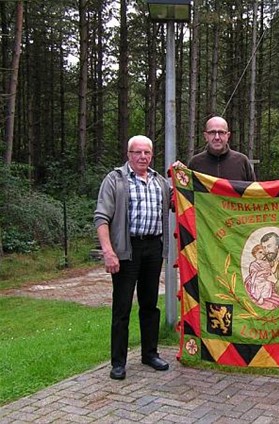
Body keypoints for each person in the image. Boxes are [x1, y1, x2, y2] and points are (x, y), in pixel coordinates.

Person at [94, 135, 172, 380]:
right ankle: (118, 362)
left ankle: (150, 354)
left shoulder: (160, 182)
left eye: (146, 153)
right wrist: (108, 251)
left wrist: (183, 177)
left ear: (152, 155)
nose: (142, 157)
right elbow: (101, 218)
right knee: (122, 308)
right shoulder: (115, 180)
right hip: (127, 251)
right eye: (137, 152)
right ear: (128, 154)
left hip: (153, 249)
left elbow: (179, 202)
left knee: (150, 305)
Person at [187, 116, 256, 181]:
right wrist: (177, 172)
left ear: (228, 136)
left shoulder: (242, 162)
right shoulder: (195, 163)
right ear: (206, 136)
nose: (217, 137)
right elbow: (186, 191)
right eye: (212, 132)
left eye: (221, 132)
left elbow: (253, 191)